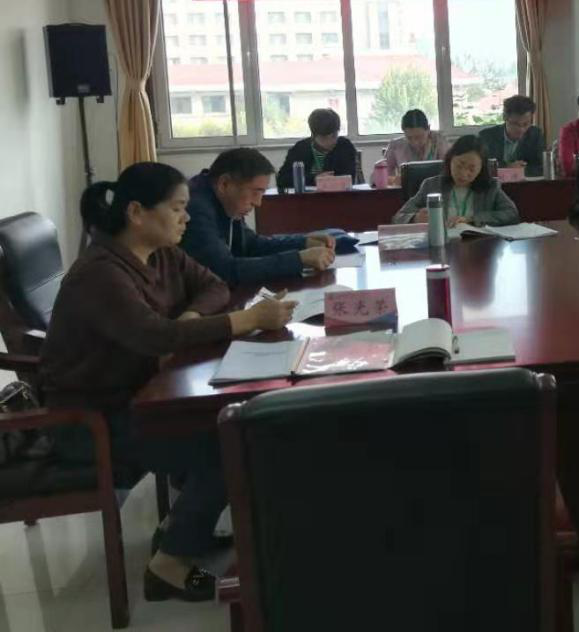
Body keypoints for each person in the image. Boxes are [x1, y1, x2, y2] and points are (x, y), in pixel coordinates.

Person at [41, 163, 297, 602]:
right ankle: (169, 567)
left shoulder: (161, 253)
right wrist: (247, 319)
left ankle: (181, 531)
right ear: (137, 213)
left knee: (226, 428)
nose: (187, 217)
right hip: (90, 422)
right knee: (228, 442)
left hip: (140, 398)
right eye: (177, 208)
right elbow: (155, 337)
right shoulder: (101, 273)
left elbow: (214, 285)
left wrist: (191, 318)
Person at [181, 147, 335, 285]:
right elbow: (225, 271)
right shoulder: (196, 209)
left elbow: (251, 245)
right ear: (224, 184)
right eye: (255, 192)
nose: (258, 203)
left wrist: (304, 242)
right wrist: (299, 259)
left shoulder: (224, 199)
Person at [393, 135, 520, 226]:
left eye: (472, 169)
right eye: (459, 165)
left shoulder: (490, 186)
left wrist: (472, 219)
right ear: (450, 161)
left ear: (481, 168)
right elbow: (398, 217)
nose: (464, 174)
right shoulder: (431, 185)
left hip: (479, 245)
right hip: (442, 243)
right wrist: (415, 218)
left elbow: (512, 214)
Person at [278, 108, 359, 190]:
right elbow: (282, 180)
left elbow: (349, 178)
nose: (331, 141)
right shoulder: (300, 149)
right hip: (307, 197)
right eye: (324, 138)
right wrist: (314, 179)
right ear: (314, 136)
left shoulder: (344, 147)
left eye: (334, 136)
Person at [477, 95, 545, 176]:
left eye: (526, 124)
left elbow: (542, 167)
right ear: (504, 117)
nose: (521, 129)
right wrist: (507, 168)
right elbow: (481, 168)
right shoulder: (486, 136)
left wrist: (519, 171)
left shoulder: (535, 134)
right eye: (515, 124)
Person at [384, 109, 447, 183]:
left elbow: (449, 169)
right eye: (409, 138)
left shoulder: (439, 141)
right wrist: (394, 180)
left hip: (434, 187)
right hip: (407, 188)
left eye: (419, 137)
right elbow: (380, 176)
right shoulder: (396, 145)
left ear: (428, 129)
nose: (415, 142)